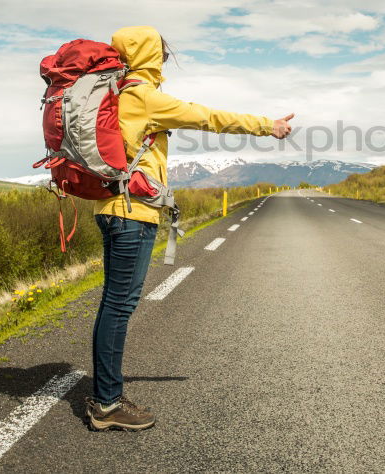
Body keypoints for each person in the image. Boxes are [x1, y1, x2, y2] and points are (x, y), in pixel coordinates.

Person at [85, 25, 294, 431]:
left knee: (113, 304)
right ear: (147, 56)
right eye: (160, 54)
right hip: (133, 214)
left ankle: (106, 395)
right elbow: (207, 117)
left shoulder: (114, 94)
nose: (164, 60)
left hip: (109, 207)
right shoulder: (142, 96)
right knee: (119, 306)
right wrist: (266, 126)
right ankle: (107, 404)